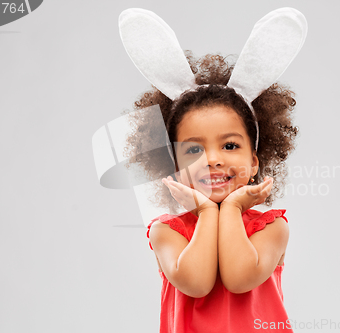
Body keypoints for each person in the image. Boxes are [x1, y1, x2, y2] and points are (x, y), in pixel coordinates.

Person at [119, 8, 307, 332]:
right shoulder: (166, 232)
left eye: (230, 146)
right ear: (175, 167)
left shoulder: (272, 229)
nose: (212, 159)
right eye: (194, 149)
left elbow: (239, 278)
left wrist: (231, 207)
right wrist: (207, 213)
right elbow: (197, 282)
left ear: (254, 162)